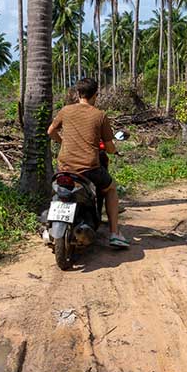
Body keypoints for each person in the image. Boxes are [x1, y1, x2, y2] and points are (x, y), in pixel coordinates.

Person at [47, 78, 128, 249]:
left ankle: (49, 228)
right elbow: (109, 146)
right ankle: (115, 233)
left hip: (64, 168)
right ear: (95, 95)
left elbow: (51, 131)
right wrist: (113, 151)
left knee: (57, 191)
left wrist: (62, 143)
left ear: (77, 94)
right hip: (89, 168)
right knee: (111, 188)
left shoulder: (66, 110)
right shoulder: (100, 115)